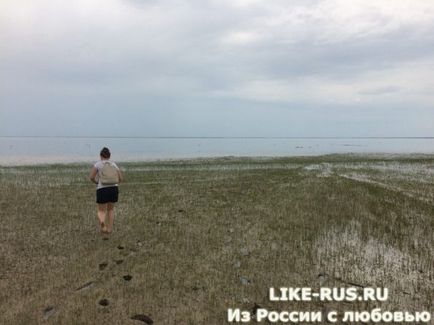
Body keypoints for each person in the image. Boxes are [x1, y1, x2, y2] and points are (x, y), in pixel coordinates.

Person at [89, 147, 123, 234]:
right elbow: (121, 178)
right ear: (109, 156)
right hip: (114, 188)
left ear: (101, 156)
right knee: (110, 210)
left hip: (102, 189)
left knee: (101, 211)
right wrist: (115, 183)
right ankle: (110, 229)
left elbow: (91, 177)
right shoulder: (113, 164)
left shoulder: (98, 164)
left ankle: (103, 225)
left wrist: (97, 182)